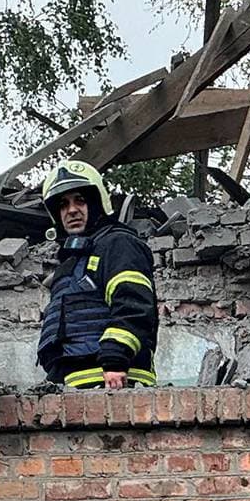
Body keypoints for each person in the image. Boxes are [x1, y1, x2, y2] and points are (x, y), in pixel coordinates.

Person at [34, 160, 158, 390]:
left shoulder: (118, 244)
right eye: (63, 204)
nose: (71, 210)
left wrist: (115, 359)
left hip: (114, 380)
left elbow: (133, 305)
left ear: (96, 203)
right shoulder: (70, 263)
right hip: (74, 384)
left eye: (80, 200)